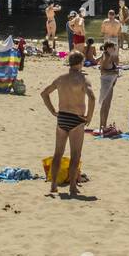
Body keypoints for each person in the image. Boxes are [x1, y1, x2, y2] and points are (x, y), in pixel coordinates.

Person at [40, 52, 97, 197]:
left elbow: (44, 93)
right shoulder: (83, 78)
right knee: (75, 154)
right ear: (81, 63)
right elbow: (92, 97)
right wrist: (89, 116)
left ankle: (53, 185)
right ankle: (72, 187)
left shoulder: (60, 79)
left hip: (62, 118)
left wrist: (53, 111)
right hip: (76, 120)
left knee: (58, 153)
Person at [96, 42, 120, 130]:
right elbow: (102, 70)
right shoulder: (105, 56)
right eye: (112, 48)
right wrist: (114, 72)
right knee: (105, 105)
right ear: (107, 48)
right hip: (106, 82)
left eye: (114, 48)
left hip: (111, 82)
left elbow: (116, 64)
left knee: (106, 105)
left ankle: (103, 125)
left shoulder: (112, 56)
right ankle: (102, 126)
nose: (114, 49)